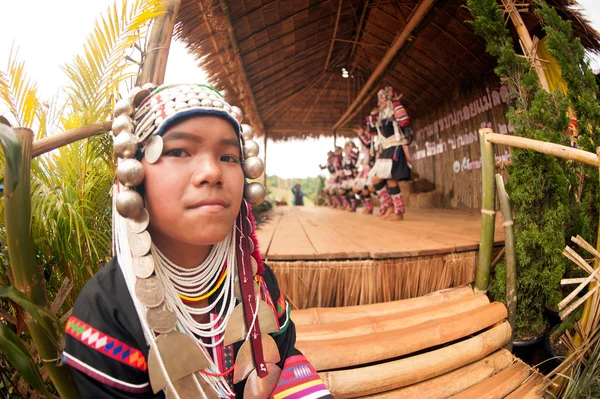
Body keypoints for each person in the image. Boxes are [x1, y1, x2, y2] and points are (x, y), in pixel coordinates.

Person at [63, 83, 332, 399]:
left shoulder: (258, 283)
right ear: (134, 175)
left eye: (229, 157)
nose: (212, 172)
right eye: (178, 151)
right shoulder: (106, 315)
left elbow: (285, 365)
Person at [370, 87, 412, 221]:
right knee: (378, 180)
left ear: (388, 98)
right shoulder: (382, 114)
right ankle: (392, 207)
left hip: (395, 148)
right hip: (387, 149)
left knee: (390, 180)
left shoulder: (394, 109)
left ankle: (397, 211)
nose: (379, 101)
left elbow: (404, 121)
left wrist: (395, 103)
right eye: (379, 98)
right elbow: (373, 133)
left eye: (382, 98)